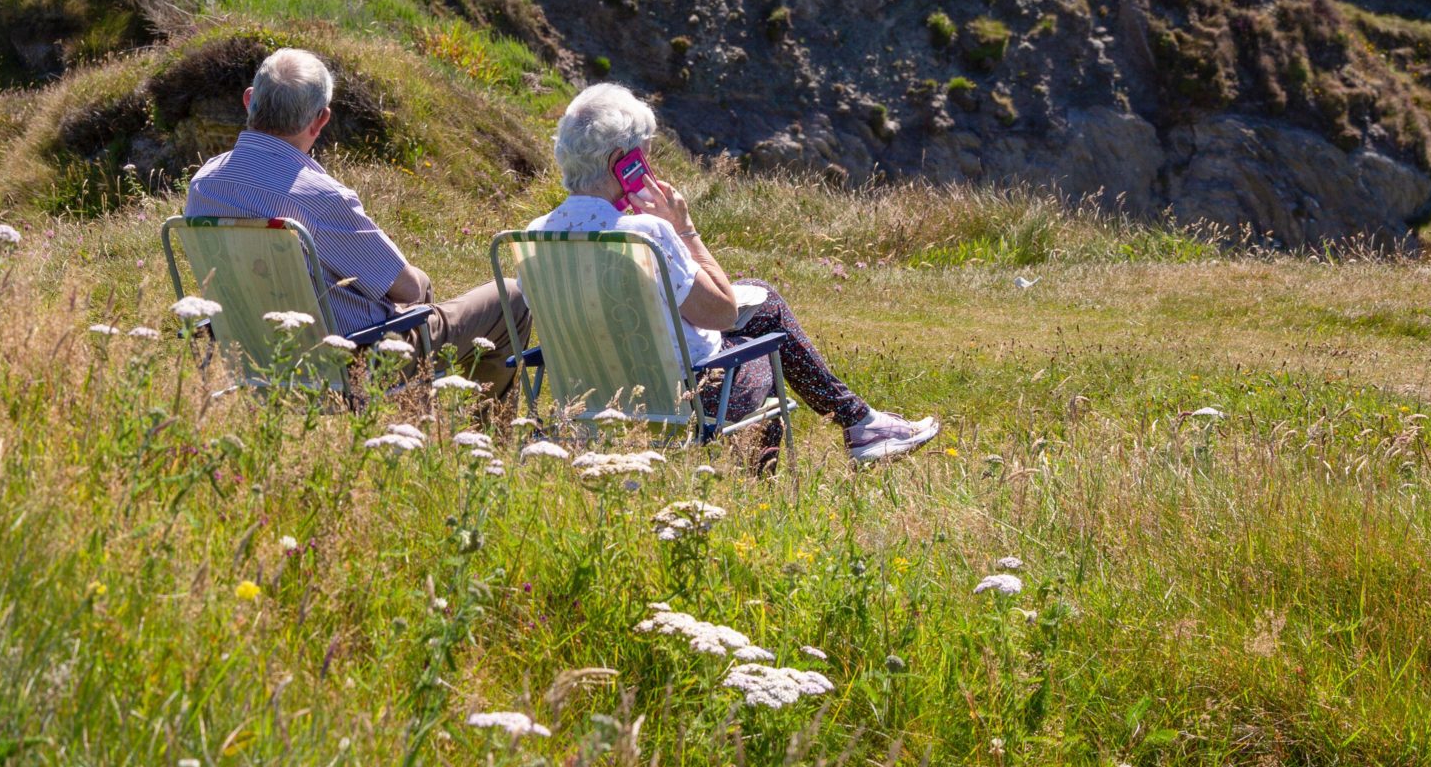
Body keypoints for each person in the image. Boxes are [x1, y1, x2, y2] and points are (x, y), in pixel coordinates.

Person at [529, 83, 939, 470]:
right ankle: (819, 454)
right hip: (686, 397)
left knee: (761, 296)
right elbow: (722, 314)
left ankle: (861, 422)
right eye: (645, 158)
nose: (650, 168)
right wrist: (683, 228)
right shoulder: (645, 236)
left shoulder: (533, 237)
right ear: (624, 163)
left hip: (588, 398)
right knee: (766, 345)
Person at [184, 48, 526, 393]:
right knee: (510, 298)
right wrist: (421, 282)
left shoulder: (203, 185)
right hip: (351, 360)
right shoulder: (321, 197)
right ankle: (490, 432)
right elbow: (407, 288)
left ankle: (418, 417)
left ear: (249, 100)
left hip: (252, 353)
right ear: (320, 120)